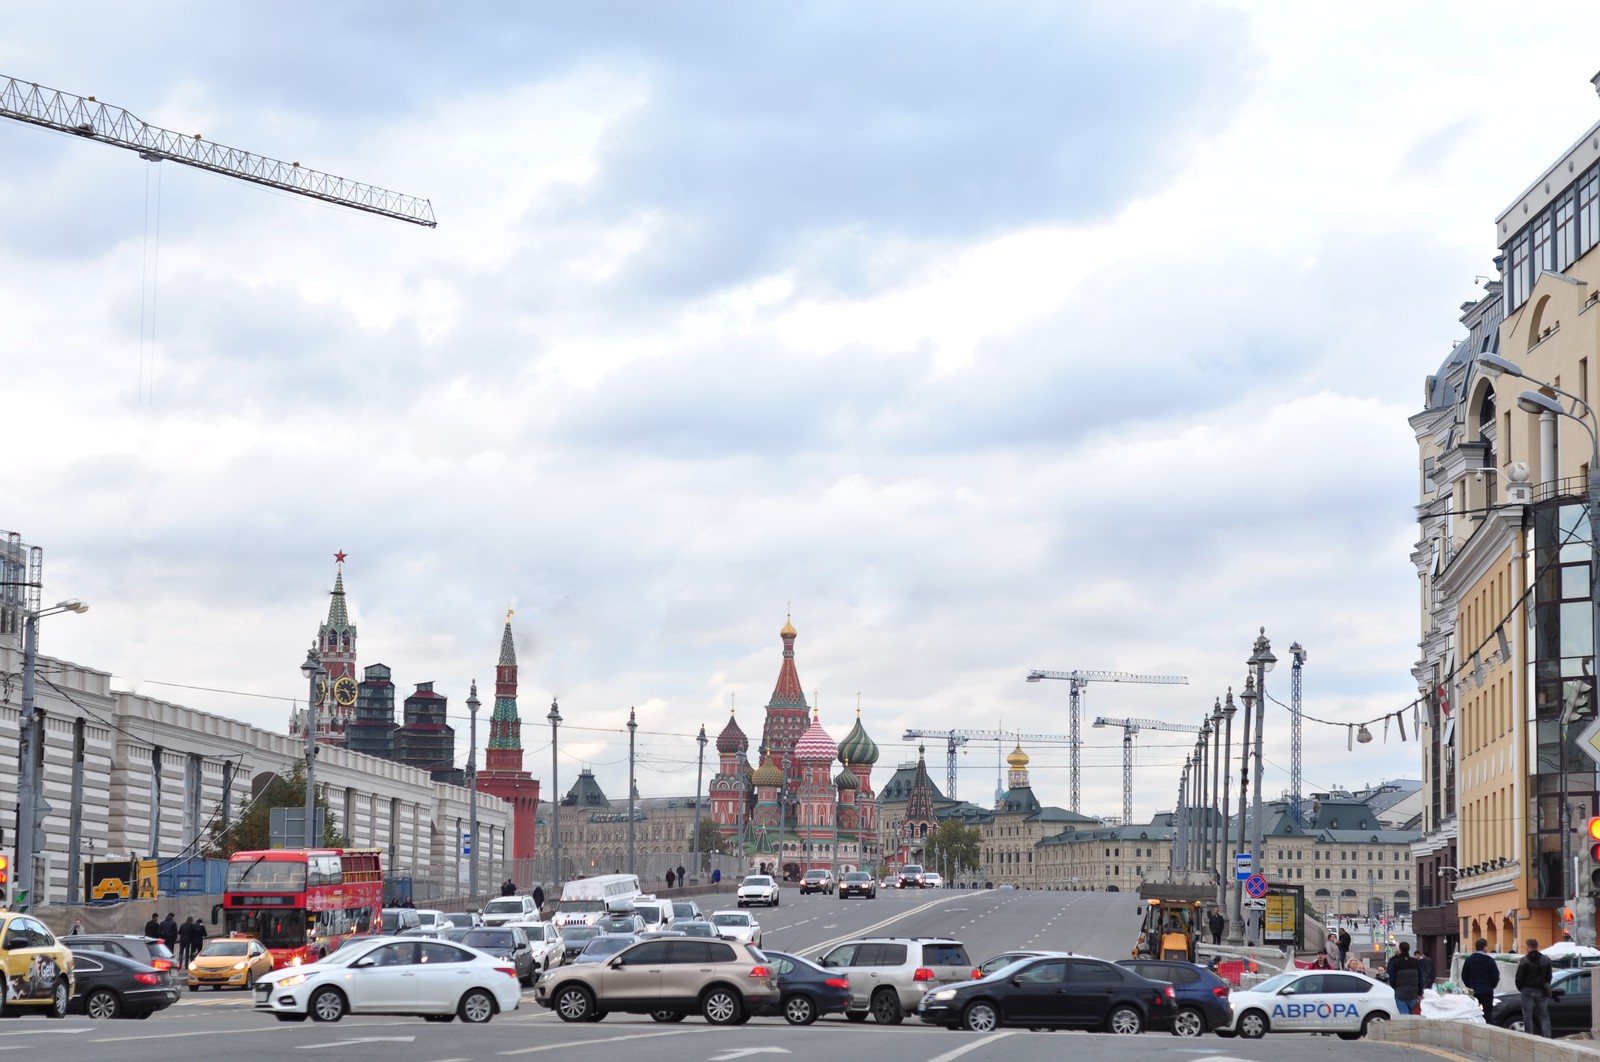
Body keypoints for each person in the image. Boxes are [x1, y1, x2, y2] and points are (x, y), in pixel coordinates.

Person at [1515, 937, 1553, 1038]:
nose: (1525, 949)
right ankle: (1547, 1036)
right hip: (1541, 990)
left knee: (1528, 1015)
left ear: (1529, 946)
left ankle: (1529, 1037)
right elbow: (1549, 976)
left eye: (1526, 947)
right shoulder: (1546, 959)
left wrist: (1521, 988)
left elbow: (1519, 977)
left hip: (1527, 990)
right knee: (1544, 1015)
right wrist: (1546, 984)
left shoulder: (1524, 960)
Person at [1460, 938, 1500, 1024]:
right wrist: (1491, 986)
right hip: (1486, 991)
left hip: (1472, 991)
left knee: (1474, 1012)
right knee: (1486, 1013)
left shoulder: (1469, 960)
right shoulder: (1490, 961)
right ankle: (1486, 1029)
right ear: (1484, 947)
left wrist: (1469, 985)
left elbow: (1464, 976)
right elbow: (1495, 976)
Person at [1386, 941, 1424, 1015]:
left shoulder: (1395, 963)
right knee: (1414, 1015)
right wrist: (1420, 993)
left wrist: (1397, 989)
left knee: (1404, 1016)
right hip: (1413, 994)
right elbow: (1420, 979)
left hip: (1400, 994)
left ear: (1400, 950)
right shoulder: (1415, 962)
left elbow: (1392, 979)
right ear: (1409, 949)